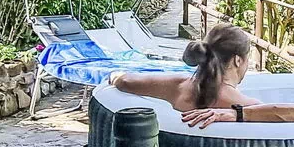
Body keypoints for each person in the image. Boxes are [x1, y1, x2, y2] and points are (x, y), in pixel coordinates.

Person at [111, 23, 261, 112]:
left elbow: (124, 81)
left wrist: (114, 75)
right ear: (237, 60)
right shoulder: (249, 107)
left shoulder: (179, 86)